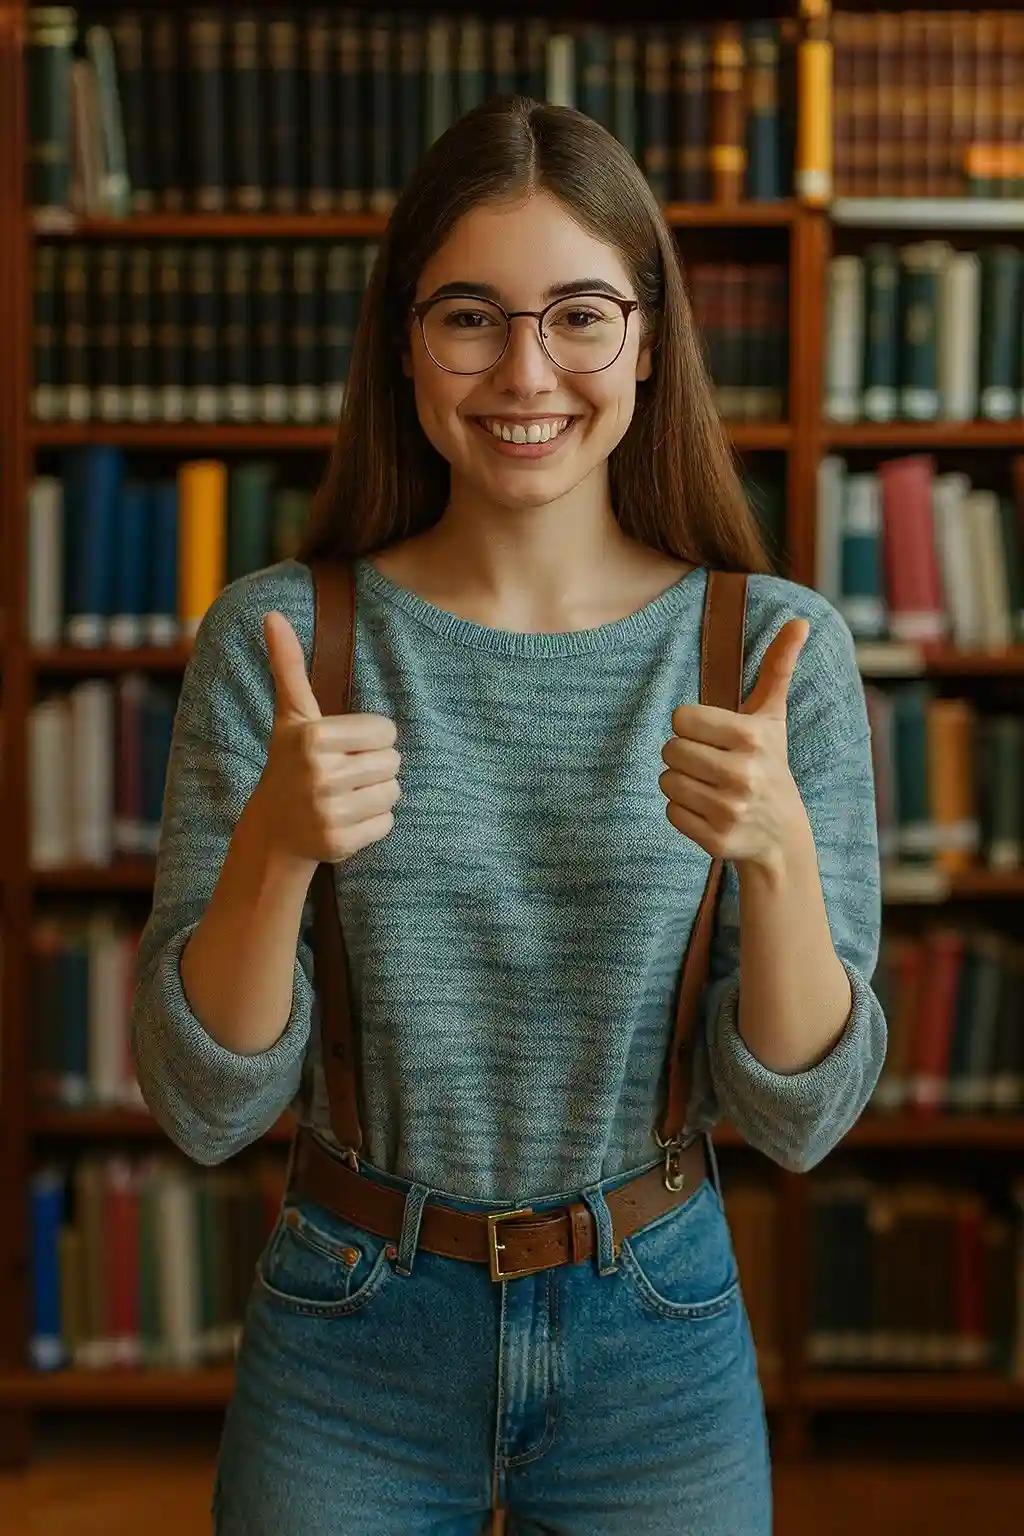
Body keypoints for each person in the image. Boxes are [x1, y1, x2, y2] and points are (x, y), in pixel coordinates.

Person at [131, 95, 887, 1536]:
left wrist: (781, 859)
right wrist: (275, 853)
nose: (524, 370)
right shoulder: (284, 639)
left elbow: (802, 1116)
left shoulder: (772, 650)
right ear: (405, 342)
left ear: (649, 339)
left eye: (580, 314)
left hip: (655, 1327)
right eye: (470, 316)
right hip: (352, 1323)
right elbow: (204, 1102)